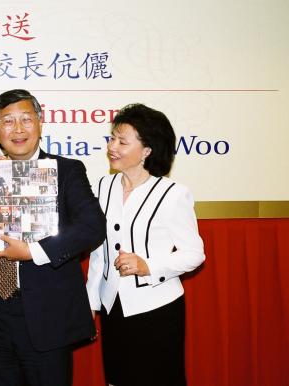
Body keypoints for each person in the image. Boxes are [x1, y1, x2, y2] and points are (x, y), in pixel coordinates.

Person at [0, 89, 107, 386]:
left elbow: (92, 226)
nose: (18, 129)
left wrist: (34, 252)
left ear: (40, 122)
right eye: (8, 121)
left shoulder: (66, 170)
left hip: (46, 315)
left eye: (26, 119)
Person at [86, 103, 206, 386]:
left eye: (122, 141)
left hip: (157, 309)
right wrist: (90, 301)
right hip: (113, 306)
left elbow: (195, 254)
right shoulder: (103, 186)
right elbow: (97, 252)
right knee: (117, 378)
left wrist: (148, 265)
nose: (112, 146)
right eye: (112, 138)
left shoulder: (174, 194)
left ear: (147, 151)